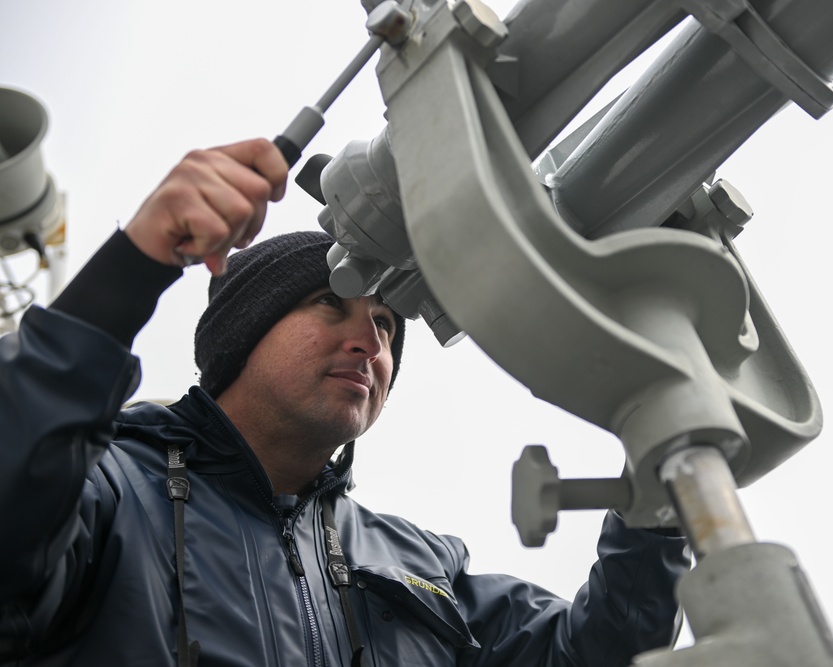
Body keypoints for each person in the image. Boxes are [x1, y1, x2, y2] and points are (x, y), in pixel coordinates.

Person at [0, 138, 690, 666]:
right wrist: (132, 267)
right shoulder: (110, 490)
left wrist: (660, 485)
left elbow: (601, 655)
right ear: (243, 334)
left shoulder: (421, 564)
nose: (371, 338)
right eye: (329, 304)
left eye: (388, 325)